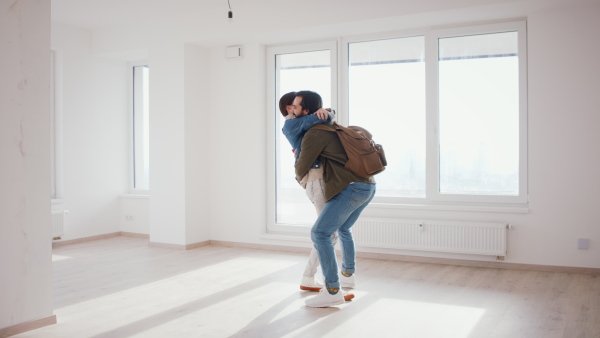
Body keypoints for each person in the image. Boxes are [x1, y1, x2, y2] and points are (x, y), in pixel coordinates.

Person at [293, 90, 376, 308]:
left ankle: (331, 290)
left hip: (351, 188)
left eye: (295, 106)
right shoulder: (332, 125)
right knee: (343, 229)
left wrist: (298, 167)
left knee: (320, 233)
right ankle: (348, 276)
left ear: (306, 111)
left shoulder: (314, 133)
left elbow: (302, 166)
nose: (292, 110)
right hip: (368, 186)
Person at [279, 92, 354, 299]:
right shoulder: (290, 125)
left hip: (322, 180)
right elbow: (319, 117)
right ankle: (314, 279)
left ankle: (310, 277)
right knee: (328, 233)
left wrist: (328, 112)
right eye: (290, 106)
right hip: (314, 180)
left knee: (330, 232)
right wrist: (328, 112)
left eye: (294, 106)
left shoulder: (306, 124)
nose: (291, 109)